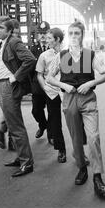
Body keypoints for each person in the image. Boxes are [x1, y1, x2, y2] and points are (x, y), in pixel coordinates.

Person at [46, 21, 105, 196]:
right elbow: (49, 77)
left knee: (93, 137)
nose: (74, 36)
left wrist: (91, 82)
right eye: (71, 33)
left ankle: (97, 177)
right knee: (76, 137)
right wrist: (64, 86)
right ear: (68, 36)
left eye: (77, 33)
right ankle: (82, 167)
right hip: (69, 99)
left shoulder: (91, 55)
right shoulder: (62, 56)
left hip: (88, 99)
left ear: (82, 35)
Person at [0, 16, 36, 177]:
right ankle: (21, 157)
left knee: (16, 126)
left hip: (8, 86)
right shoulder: (3, 43)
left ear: (10, 30)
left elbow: (30, 59)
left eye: (1, 28)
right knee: (12, 125)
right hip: (1, 84)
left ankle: (27, 163)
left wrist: (15, 77)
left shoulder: (13, 42)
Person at [36, 28, 67, 163]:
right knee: (55, 121)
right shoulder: (44, 56)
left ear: (57, 39)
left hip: (67, 91)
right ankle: (61, 150)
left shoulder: (69, 53)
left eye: (49, 38)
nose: (46, 40)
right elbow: (39, 74)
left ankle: (80, 152)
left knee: (75, 121)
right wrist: (45, 88)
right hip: (52, 92)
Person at [30, 21, 53, 144]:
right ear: (37, 35)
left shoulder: (54, 49)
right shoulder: (32, 49)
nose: (43, 36)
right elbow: (29, 68)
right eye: (40, 33)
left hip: (51, 85)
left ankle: (51, 134)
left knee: (52, 112)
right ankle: (43, 125)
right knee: (36, 111)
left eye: (45, 33)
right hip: (37, 87)